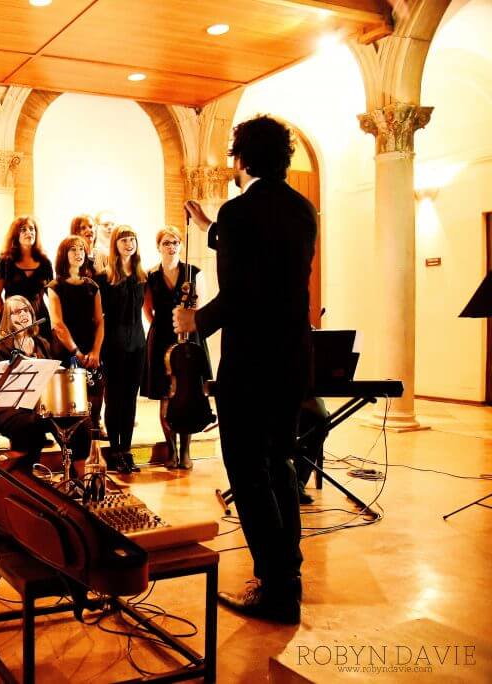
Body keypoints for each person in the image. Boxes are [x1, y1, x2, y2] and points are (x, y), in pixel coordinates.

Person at [175, 114, 316, 624]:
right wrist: (209, 228)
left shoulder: (239, 213)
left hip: (250, 365)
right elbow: (266, 263)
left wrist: (195, 320)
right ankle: (289, 576)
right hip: (292, 360)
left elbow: (240, 294)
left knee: (248, 472)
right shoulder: (303, 210)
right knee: (279, 464)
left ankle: (274, 587)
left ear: (241, 159)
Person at [0, 295, 91, 472]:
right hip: (12, 408)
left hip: (42, 405)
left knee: (80, 424)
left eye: (26, 310)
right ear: (7, 318)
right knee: (30, 427)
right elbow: (1, 389)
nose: (23, 314)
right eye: (16, 311)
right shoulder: (1, 349)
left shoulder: (42, 343)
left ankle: (77, 482)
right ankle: (25, 482)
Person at [142, 226, 210, 470]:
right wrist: (164, 327)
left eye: (175, 242)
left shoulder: (194, 273)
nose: (171, 247)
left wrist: (184, 327)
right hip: (161, 337)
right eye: (166, 243)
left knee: (188, 394)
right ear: (158, 247)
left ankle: (186, 452)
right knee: (165, 397)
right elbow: (148, 310)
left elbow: (200, 309)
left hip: (189, 337)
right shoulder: (150, 275)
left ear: (181, 245)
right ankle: (171, 449)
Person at [95, 226, 148, 474]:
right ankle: (115, 450)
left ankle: (127, 449)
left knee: (130, 399)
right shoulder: (104, 278)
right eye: (124, 239)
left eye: (133, 239)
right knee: (114, 399)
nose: (129, 243)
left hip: (137, 343)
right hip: (113, 345)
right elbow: (101, 318)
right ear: (115, 244)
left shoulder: (142, 275)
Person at [46, 236, 105, 437]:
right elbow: (58, 324)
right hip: (66, 350)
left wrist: (95, 351)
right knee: (69, 405)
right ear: (64, 254)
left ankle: (93, 447)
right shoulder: (55, 286)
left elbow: (99, 321)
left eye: (82, 249)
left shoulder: (92, 286)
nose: (79, 253)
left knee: (94, 401)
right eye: (73, 249)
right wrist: (76, 352)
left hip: (91, 351)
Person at [0, 215, 53, 341]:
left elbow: (52, 295)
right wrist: (8, 319)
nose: (29, 232)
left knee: (42, 358)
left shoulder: (45, 261)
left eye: (32, 229)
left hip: (40, 320)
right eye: (23, 229)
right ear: (15, 235)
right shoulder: (5, 261)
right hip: (14, 323)